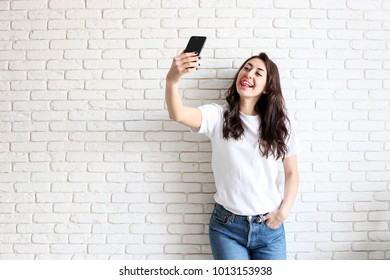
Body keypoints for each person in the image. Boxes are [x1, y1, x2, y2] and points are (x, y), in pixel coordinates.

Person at [165, 51, 299, 260]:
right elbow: (178, 114)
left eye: (258, 73)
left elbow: (291, 172)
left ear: (267, 88)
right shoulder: (218, 116)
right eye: (246, 68)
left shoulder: (280, 124)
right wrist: (172, 80)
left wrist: (284, 211)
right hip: (227, 228)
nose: (249, 74)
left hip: (269, 228)